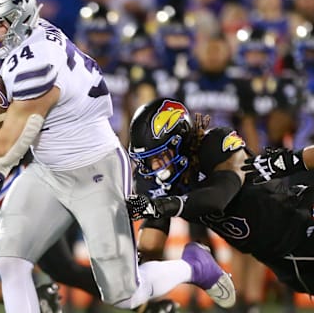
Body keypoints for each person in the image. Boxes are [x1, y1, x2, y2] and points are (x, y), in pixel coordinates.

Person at [0, 0, 235, 313]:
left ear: (19, 18)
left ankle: (194, 267)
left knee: (124, 294)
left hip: (94, 169)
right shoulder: (31, 34)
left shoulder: (36, 62)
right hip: (48, 168)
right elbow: (23, 135)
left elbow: (3, 144)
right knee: (12, 258)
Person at [126, 96, 314, 298]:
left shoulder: (215, 144)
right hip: (279, 258)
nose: (154, 168)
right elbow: (152, 244)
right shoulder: (156, 180)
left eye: (160, 157)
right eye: (147, 161)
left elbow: (217, 197)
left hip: (304, 225)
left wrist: (160, 206)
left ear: (179, 142)